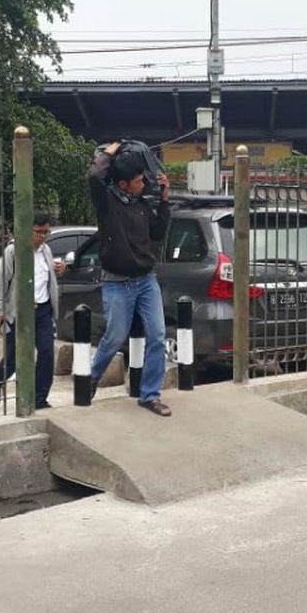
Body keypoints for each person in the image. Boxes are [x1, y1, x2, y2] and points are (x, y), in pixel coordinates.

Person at [87, 141, 173, 416]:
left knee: (158, 335)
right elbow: (94, 177)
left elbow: (158, 233)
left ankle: (150, 395)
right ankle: (90, 379)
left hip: (146, 280)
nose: (143, 183)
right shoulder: (108, 204)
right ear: (123, 184)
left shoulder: (141, 205)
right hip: (117, 282)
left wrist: (164, 200)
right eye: (138, 181)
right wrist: (106, 154)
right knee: (115, 337)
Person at [0, 211, 67, 408]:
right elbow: (1, 282)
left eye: (46, 232)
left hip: (43, 310)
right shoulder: (13, 252)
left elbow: (48, 278)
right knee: (14, 358)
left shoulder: (46, 250)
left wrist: (60, 269)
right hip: (20, 312)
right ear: (27, 230)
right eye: (38, 232)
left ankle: (39, 398)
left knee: (47, 353)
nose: (42, 236)